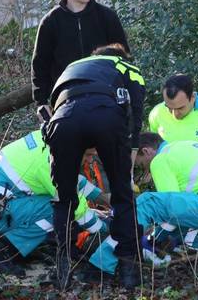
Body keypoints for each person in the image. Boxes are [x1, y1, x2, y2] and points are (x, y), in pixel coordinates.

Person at [44, 43, 145, 289]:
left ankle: (63, 268)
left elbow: (51, 107)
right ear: (121, 57)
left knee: (64, 198)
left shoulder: (73, 67)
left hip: (63, 119)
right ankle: (129, 269)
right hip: (106, 115)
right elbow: (136, 116)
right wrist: (126, 171)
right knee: (122, 195)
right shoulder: (127, 67)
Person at [88, 133, 198, 275]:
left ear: (146, 151)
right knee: (178, 229)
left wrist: (149, 239)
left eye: (142, 164)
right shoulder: (184, 146)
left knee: (147, 202)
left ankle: (100, 266)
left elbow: (170, 210)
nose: (146, 170)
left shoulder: (160, 159)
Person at [0, 130, 107, 276]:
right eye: (88, 155)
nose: (89, 160)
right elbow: (74, 207)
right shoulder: (52, 161)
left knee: (53, 202)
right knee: (57, 208)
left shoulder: (51, 138)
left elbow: (72, 180)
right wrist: (104, 229)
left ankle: (22, 245)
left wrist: (104, 198)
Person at [31, 0, 129, 121]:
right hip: (66, 101)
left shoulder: (107, 17)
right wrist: (41, 102)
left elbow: (124, 58)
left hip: (106, 99)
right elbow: (40, 64)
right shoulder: (50, 22)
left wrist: (126, 94)